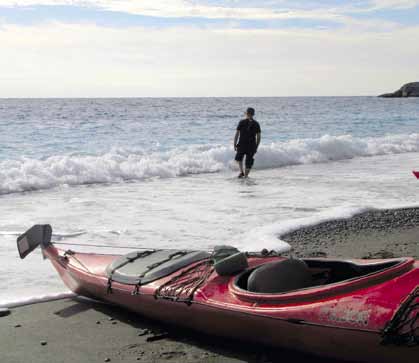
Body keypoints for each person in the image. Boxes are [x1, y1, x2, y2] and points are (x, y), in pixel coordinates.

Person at [233, 107, 261, 178]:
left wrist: (234, 143)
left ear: (246, 113)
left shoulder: (242, 122)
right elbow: (259, 137)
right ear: (253, 114)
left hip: (242, 144)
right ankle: (245, 175)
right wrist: (256, 146)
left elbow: (237, 134)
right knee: (249, 162)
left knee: (239, 159)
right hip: (251, 145)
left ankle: (241, 172)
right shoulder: (256, 124)